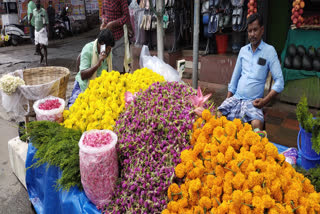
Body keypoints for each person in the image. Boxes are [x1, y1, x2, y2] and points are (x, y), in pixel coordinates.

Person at [218, 13, 284, 136]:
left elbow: (279, 82)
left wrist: (264, 101)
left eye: (255, 30)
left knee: (256, 125)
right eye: (249, 31)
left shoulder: (269, 51)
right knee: (217, 116)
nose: (252, 34)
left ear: (262, 30)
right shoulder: (243, 51)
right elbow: (235, 78)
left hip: (253, 102)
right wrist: (227, 100)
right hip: (236, 98)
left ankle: (256, 150)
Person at [68, 29, 115, 107]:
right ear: (101, 44)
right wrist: (97, 64)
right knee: (73, 109)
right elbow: (83, 75)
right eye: (107, 48)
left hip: (99, 87)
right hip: (84, 85)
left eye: (110, 49)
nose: (108, 51)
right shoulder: (88, 49)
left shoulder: (109, 53)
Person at [100, 0, 131, 74]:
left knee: (117, 68)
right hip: (105, 36)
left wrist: (114, 23)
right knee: (101, 62)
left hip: (118, 36)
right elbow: (103, 13)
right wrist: (104, 20)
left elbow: (126, 17)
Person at [33, 0, 49, 65]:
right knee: (37, 47)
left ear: (40, 3)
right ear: (35, 3)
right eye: (36, 2)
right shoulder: (34, 11)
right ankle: (41, 56)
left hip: (42, 29)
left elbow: (47, 21)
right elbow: (33, 20)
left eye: (38, 2)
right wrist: (34, 25)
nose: (37, 3)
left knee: (44, 46)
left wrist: (48, 30)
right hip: (36, 30)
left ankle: (46, 61)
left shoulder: (43, 11)